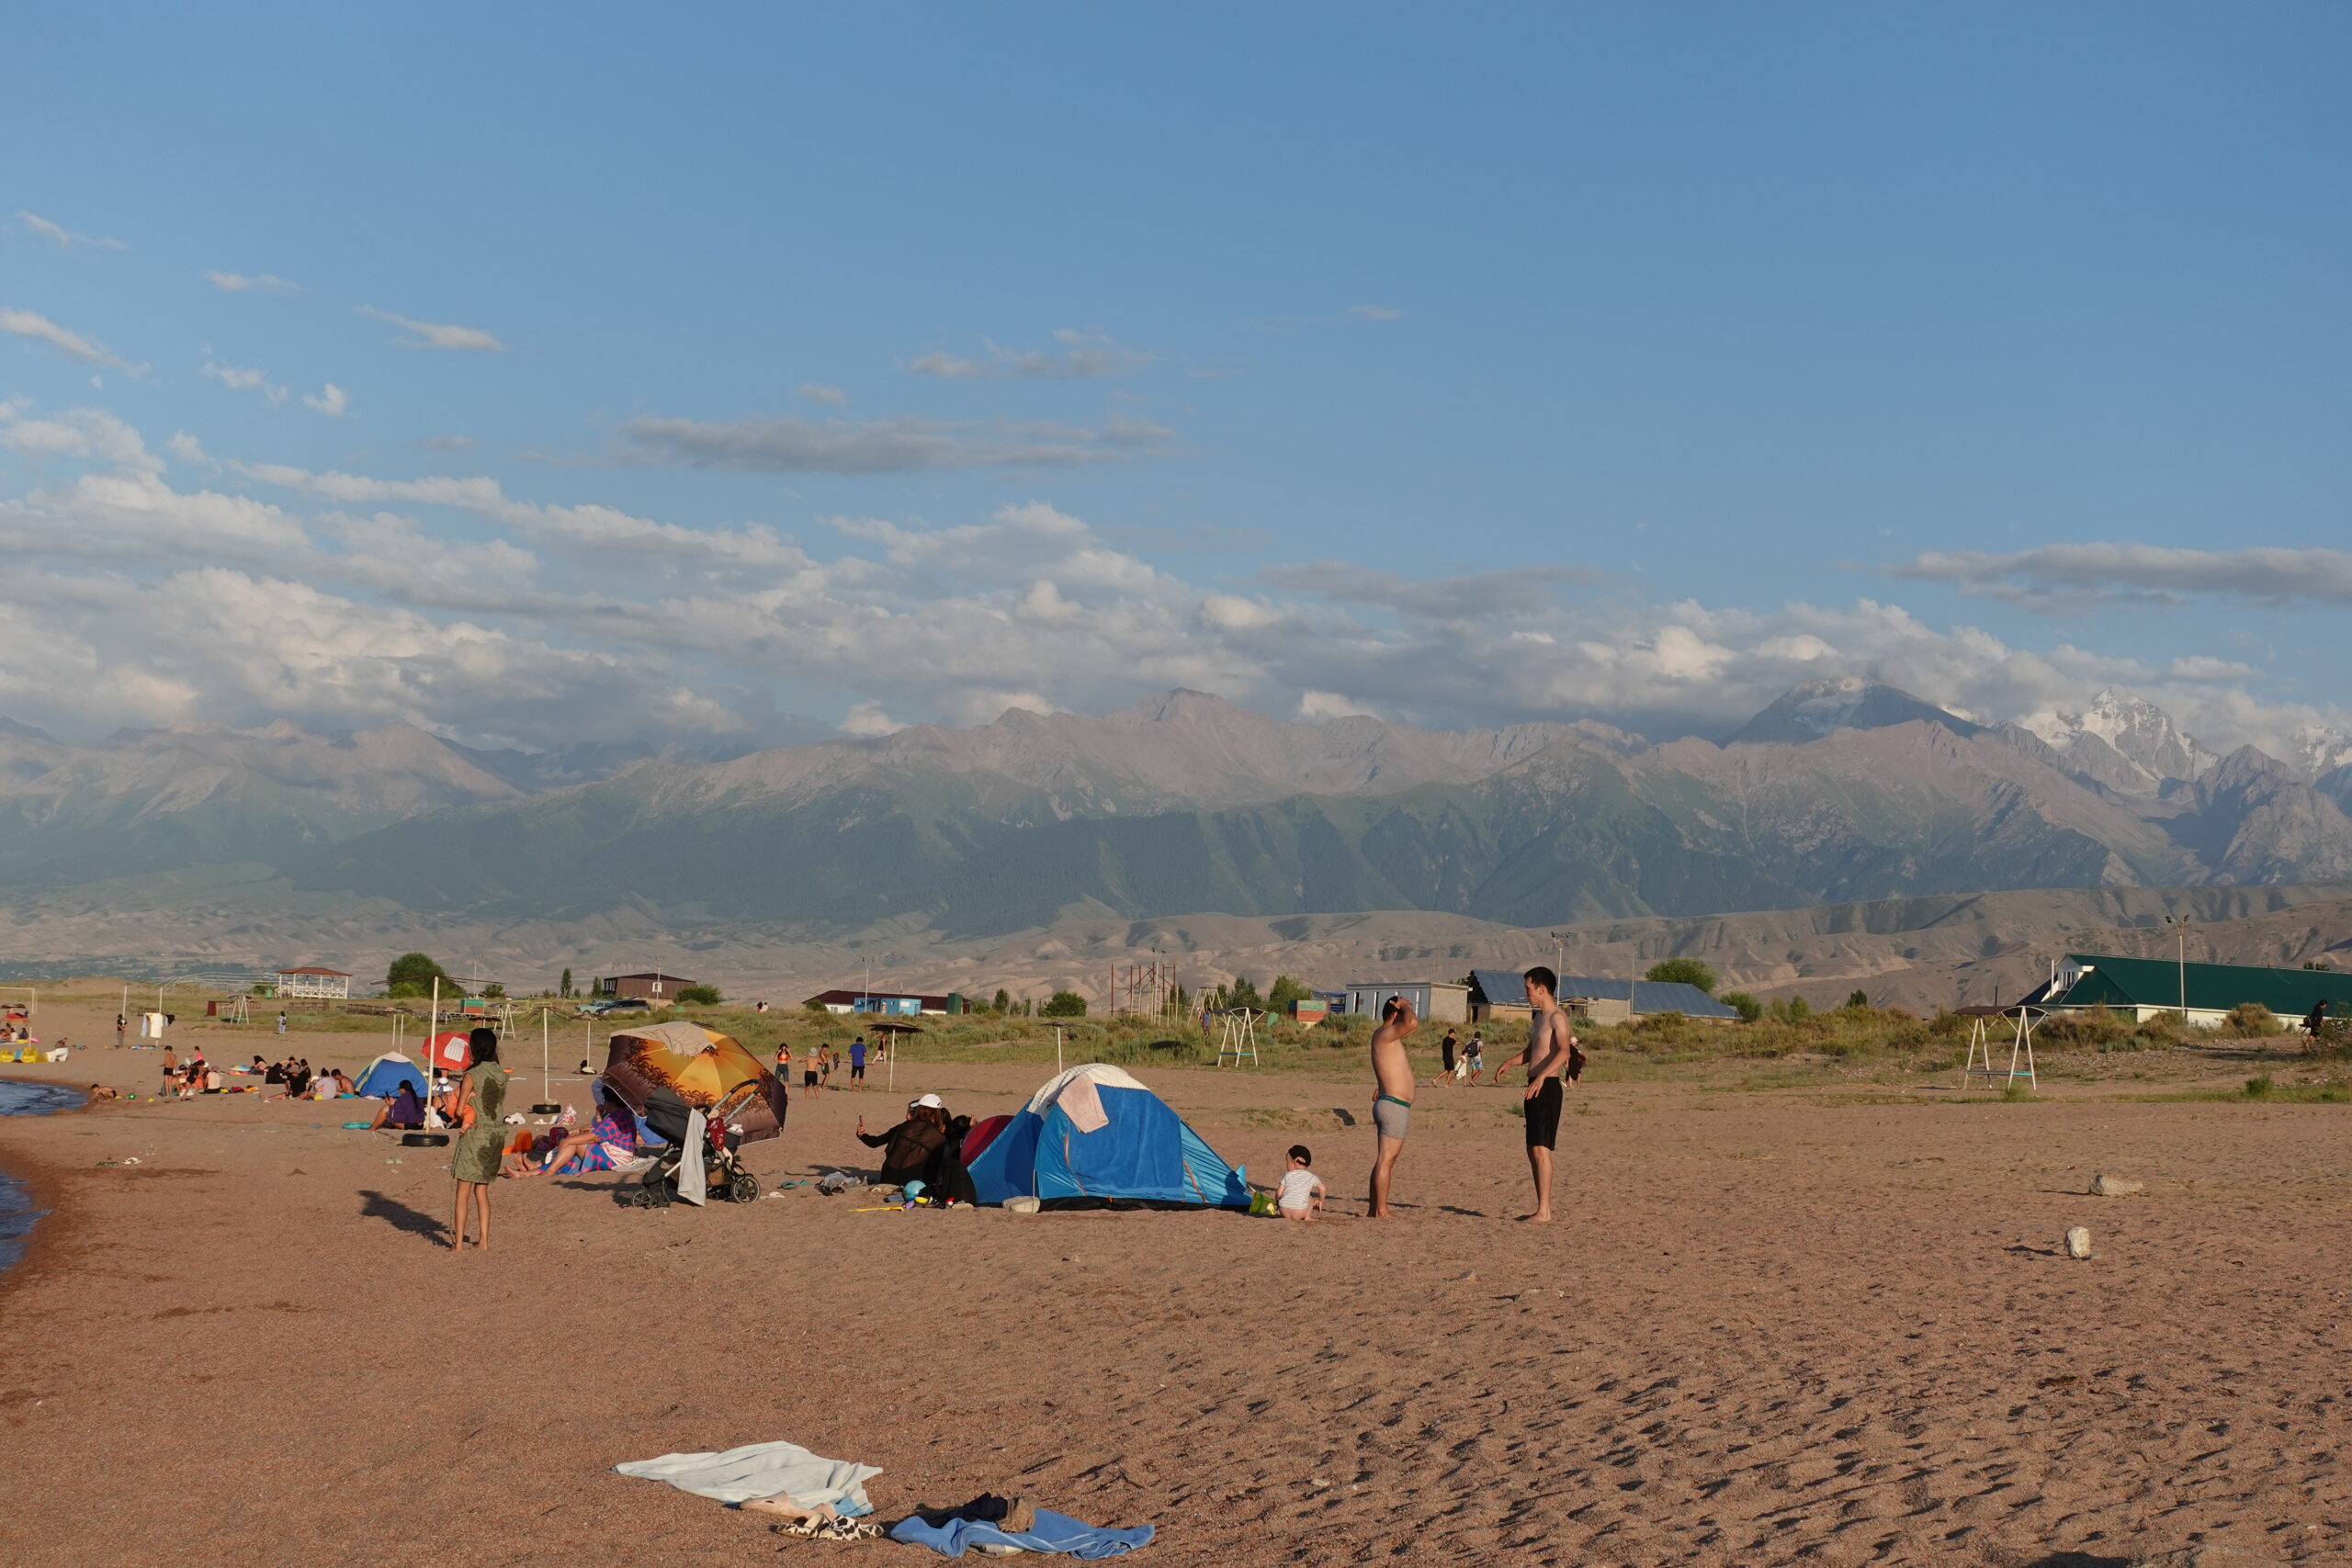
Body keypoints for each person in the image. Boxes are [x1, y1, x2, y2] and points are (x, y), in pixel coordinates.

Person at [1495, 966, 1579, 1224]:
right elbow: (1533, 1052)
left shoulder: (1558, 1018)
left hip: (1548, 1087)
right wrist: (1511, 1061)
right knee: (1533, 1149)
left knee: (1542, 1149)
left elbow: (1564, 1052)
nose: (1526, 993)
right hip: (1534, 1085)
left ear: (1542, 989)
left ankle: (1545, 1211)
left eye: (1528, 988)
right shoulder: (1539, 1019)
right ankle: (1540, 1208)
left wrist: (1542, 1076)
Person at [448, 1028, 508, 1251]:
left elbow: (459, 1113)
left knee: (462, 1192)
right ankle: (484, 1240)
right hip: (496, 1135)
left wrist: (459, 1100)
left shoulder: (472, 1075)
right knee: (481, 1191)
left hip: (476, 1135)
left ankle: (458, 1244)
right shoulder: (501, 1073)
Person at [1365, 995, 1419, 1219]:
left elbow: (1410, 1028)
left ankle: (1373, 1208)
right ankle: (1382, 1210)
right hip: (1394, 1106)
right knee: (1386, 1160)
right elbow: (1412, 1023)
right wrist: (1405, 1006)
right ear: (1395, 1014)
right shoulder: (1385, 1034)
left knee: (1384, 1159)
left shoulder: (1384, 1038)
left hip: (1392, 1103)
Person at [856, 1094, 949, 1188]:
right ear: (937, 1113)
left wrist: (862, 1135)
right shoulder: (939, 1137)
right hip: (909, 1182)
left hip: (887, 1176)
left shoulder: (904, 1126)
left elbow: (875, 1142)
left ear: (918, 1110)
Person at [1276, 1145, 1325, 1222]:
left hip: (1283, 1211)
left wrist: (1278, 1202)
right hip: (1299, 1212)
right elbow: (1322, 1189)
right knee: (1309, 1197)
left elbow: (1278, 1193)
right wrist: (1320, 1200)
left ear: (1295, 1162)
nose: (1286, 1164)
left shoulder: (1287, 1175)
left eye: (1287, 1161)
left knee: (1286, 1193)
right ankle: (1307, 1217)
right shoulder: (1311, 1176)